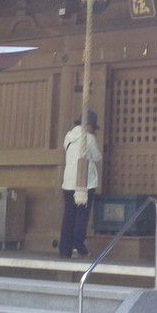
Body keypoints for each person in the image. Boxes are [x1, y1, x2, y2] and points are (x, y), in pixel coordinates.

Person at [59, 111, 102, 259]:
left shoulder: (68, 136)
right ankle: (78, 246)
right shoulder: (88, 138)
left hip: (68, 182)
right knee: (81, 216)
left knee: (69, 215)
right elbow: (97, 156)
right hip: (84, 182)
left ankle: (64, 249)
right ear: (89, 125)